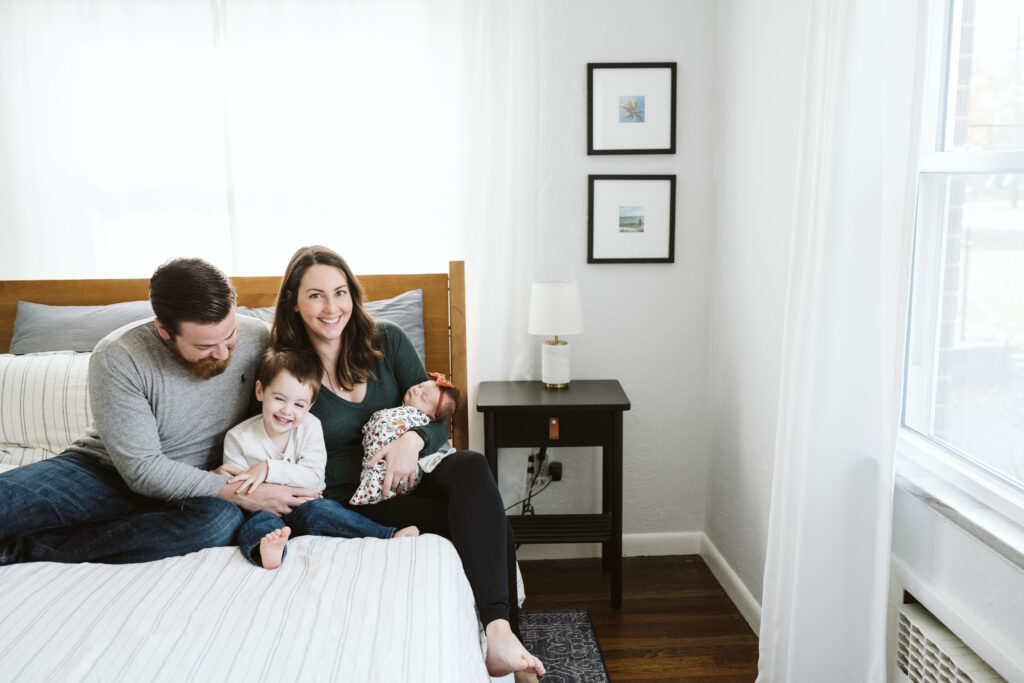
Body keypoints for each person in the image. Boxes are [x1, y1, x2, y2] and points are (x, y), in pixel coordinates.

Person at [270, 245, 545, 678]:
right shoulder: (285, 369)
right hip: (363, 497)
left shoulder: (387, 340)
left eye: (340, 293)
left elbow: (437, 418)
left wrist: (412, 441)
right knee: (481, 519)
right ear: (293, 301)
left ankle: (498, 631)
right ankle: (506, 637)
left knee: (473, 466)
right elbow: (272, 439)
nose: (331, 307)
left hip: (421, 469)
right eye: (316, 295)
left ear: (353, 295)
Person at [0, 258, 319, 566]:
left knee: (216, 523)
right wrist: (235, 491)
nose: (223, 353)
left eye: (230, 335)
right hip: (101, 473)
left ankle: (25, 549)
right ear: (165, 331)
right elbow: (142, 470)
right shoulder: (118, 357)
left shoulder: (259, 337)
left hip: (199, 486)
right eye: (205, 347)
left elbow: (309, 382)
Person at [223, 346, 418, 569]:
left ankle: (387, 537)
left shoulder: (310, 427)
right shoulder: (238, 437)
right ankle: (267, 550)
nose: (287, 411)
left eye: (299, 404)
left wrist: (268, 469)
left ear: (310, 405)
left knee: (326, 511)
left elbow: (315, 479)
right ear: (260, 391)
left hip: (306, 508)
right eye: (279, 398)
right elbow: (236, 490)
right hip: (262, 512)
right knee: (255, 525)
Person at [349, 373, 461, 505]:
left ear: (430, 417)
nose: (416, 390)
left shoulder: (420, 419)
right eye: (420, 386)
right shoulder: (401, 411)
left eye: (423, 397)